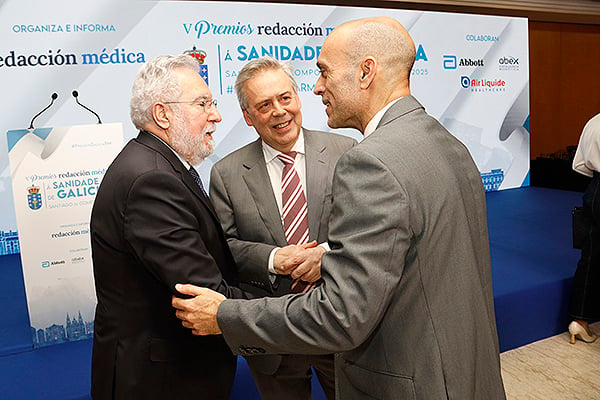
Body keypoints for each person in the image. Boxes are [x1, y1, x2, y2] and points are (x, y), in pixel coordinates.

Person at [173, 16, 506, 399]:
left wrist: (223, 315)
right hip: (463, 373)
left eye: (324, 73)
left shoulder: (369, 161)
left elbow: (342, 315)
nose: (317, 88)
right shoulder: (447, 143)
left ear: (366, 73)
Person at [90, 54, 248, 400]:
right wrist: (287, 306)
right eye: (202, 103)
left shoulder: (156, 165)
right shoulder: (151, 178)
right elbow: (202, 292)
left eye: (213, 103)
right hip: (163, 381)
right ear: (163, 114)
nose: (216, 115)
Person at [209, 56, 356, 399]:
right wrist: (276, 259)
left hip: (338, 322)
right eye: (264, 105)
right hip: (272, 335)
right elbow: (223, 248)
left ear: (298, 97)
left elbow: (364, 232)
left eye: (285, 98)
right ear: (248, 116)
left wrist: (322, 254)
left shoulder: (345, 152)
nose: (279, 111)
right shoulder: (227, 174)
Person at [569, 112, 600, 344]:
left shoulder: (593, 121)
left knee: (589, 256)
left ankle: (579, 322)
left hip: (595, 191)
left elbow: (579, 165)